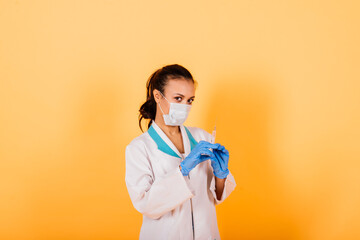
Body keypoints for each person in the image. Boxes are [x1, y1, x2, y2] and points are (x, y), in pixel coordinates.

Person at [125, 64, 236, 240]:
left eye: (190, 100)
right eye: (178, 98)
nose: (185, 106)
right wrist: (181, 170)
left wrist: (220, 176)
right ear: (157, 96)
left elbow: (214, 198)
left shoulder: (203, 138)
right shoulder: (139, 148)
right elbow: (146, 205)